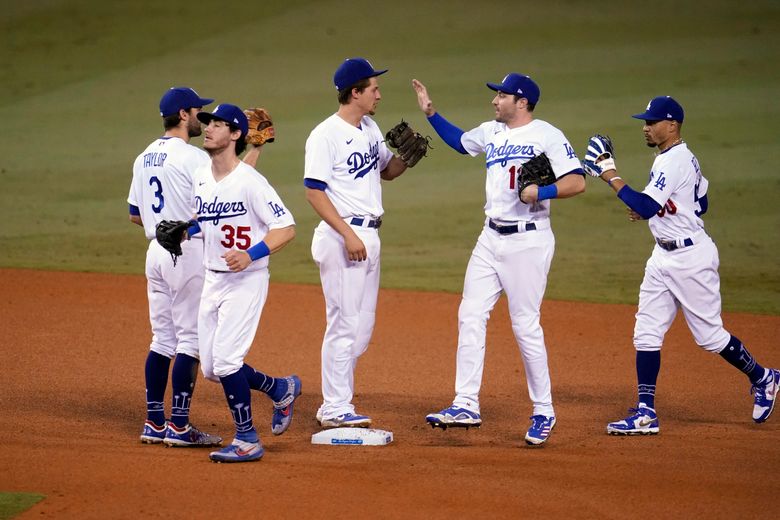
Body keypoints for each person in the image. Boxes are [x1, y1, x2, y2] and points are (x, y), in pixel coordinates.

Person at [582, 96, 779, 435]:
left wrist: (609, 173)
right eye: (645, 121)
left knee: (710, 337)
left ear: (671, 125)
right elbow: (700, 202)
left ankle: (764, 377)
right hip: (662, 258)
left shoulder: (672, 161)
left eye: (652, 122)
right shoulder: (678, 157)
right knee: (646, 331)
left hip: (690, 260)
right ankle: (645, 412)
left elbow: (646, 205)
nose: (645, 127)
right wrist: (659, 208)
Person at [412, 74, 586, 446]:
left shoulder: (547, 135)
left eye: (502, 95)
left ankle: (544, 410)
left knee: (525, 324)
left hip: (529, 240)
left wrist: (544, 189)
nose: (495, 101)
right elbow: (461, 143)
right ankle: (465, 403)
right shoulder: (491, 132)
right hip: (489, 237)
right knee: (470, 313)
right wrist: (431, 113)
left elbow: (577, 181)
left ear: (521, 102)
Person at [188, 103, 299, 462]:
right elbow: (205, 218)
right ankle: (280, 388)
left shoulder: (253, 182)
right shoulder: (202, 176)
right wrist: (182, 230)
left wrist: (251, 254)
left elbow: (287, 228)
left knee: (227, 362)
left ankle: (247, 438)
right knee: (210, 369)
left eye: (218, 125)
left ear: (235, 134)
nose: (208, 129)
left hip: (246, 281)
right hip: (212, 280)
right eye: (207, 123)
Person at [304, 58, 411, 429]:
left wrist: (406, 158)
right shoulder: (325, 135)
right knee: (344, 324)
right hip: (342, 236)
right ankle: (335, 406)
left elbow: (387, 172)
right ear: (355, 92)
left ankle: (335, 401)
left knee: (361, 329)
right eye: (373, 88)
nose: (379, 94)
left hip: (369, 235)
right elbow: (313, 192)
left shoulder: (369, 126)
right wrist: (347, 234)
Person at [129, 87, 222, 447]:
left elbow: (136, 215)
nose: (206, 118)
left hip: (155, 253)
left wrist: (164, 221)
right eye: (201, 110)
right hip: (188, 253)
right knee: (190, 340)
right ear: (184, 114)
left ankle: (154, 422)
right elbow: (222, 201)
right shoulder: (193, 158)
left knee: (162, 338)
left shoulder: (143, 157)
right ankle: (180, 426)